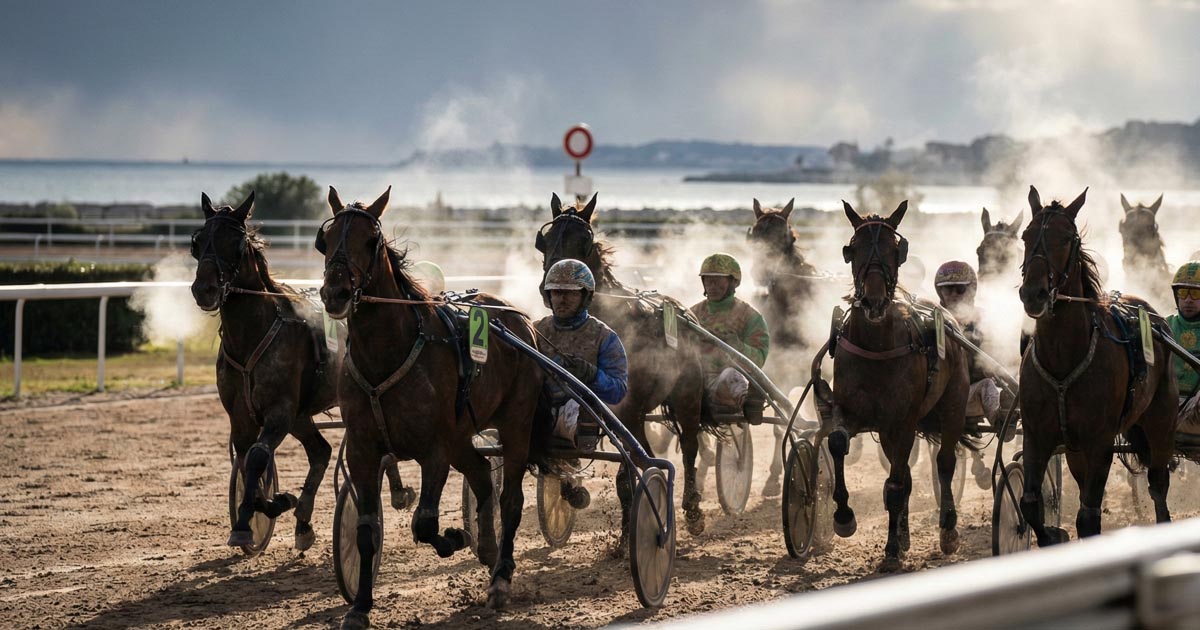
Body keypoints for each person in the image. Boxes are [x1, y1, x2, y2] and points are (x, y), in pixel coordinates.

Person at [534, 259, 628, 450]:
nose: (561, 299)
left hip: (578, 412)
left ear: (585, 297)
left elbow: (618, 391)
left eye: (570, 293)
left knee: (581, 409)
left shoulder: (604, 337)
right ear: (548, 296)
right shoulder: (535, 330)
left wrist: (592, 375)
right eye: (556, 292)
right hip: (535, 408)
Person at [690, 253, 770, 423]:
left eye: (718, 281)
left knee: (730, 373)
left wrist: (737, 346)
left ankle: (747, 403)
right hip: (694, 383)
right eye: (708, 280)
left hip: (725, 385)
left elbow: (759, 359)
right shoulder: (692, 314)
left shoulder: (750, 317)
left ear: (733, 283)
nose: (712, 286)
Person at [934, 260, 1001, 421]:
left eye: (960, 289)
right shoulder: (931, 318)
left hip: (968, 394)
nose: (954, 295)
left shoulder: (983, 320)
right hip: (935, 397)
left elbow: (993, 362)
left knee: (988, 387)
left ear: (971, 291)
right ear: (940, 292)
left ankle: (1002, 422)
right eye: (947, 289)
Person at [1169, 261, 1200, 435]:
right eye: (1183, 292)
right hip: (1165, 404)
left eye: (1195, 293)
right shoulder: (1163, 326)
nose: (1188, 299)